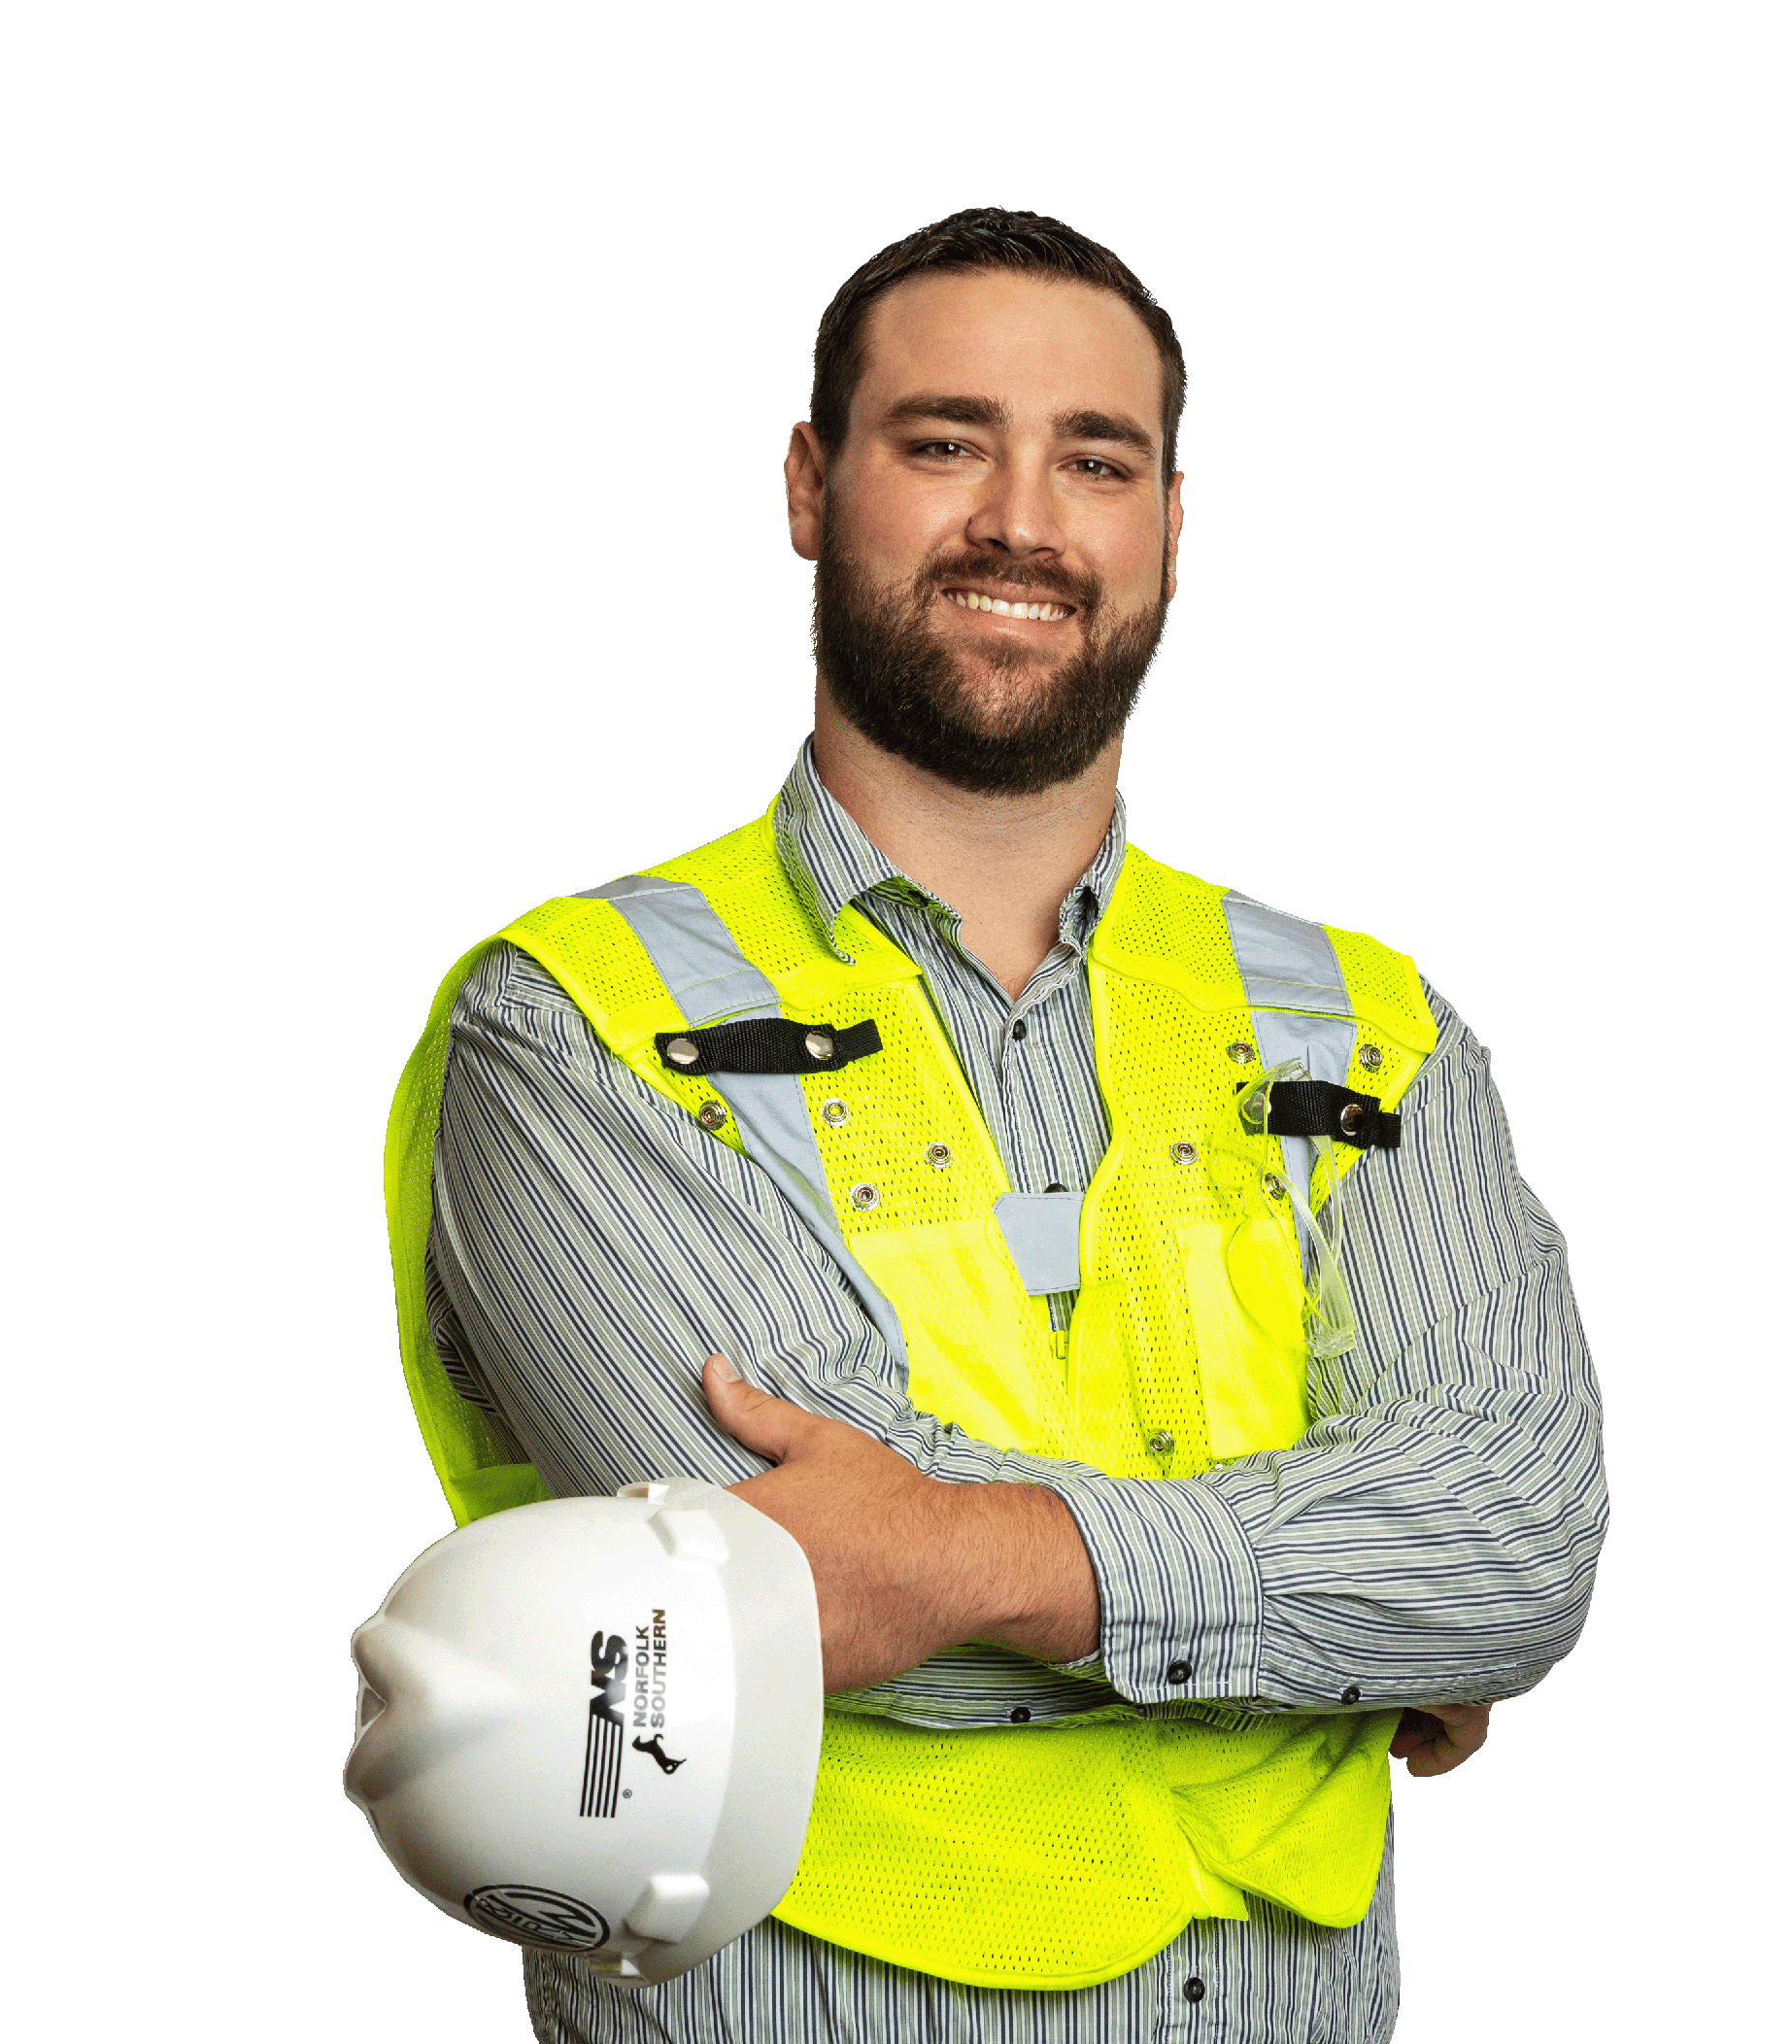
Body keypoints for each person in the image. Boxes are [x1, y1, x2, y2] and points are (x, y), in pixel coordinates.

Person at [387, 209, 1607, 2044]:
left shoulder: (1368, 1020)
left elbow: (1513, 1541)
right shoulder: (573, 1018)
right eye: (945, 440)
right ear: (812, 484)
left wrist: (983, 1558)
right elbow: (773, 1599)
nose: (1021, 519)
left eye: (1094, 458)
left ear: (1171, 528)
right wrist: (1330, 1640)